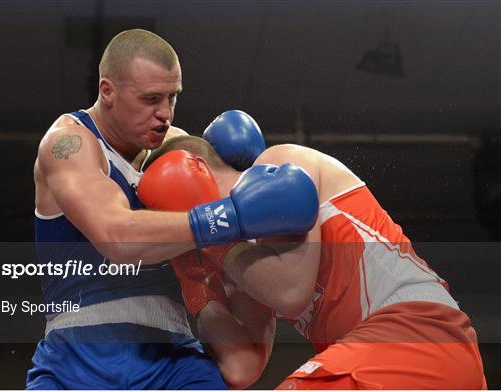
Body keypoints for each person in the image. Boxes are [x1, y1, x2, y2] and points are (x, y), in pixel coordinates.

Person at [28, 29, 318, 389]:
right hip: (78, 357)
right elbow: (117, 237)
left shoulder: (179, 149)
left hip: (173, 357)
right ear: (108, 91)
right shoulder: (69, 144)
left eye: (172, 97)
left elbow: (249, 240)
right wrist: (229, 217)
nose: (164, 113)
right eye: (150, 99)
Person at [139, 134, 487, 390]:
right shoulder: (238, 260)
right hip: (381, 360)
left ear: (190, 174)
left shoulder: (278, 168)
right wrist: (198, 290)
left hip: (418, 333)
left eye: (169, 218)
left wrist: (210, 238)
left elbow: (291, 290)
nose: (175, 234)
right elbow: (242, 366)